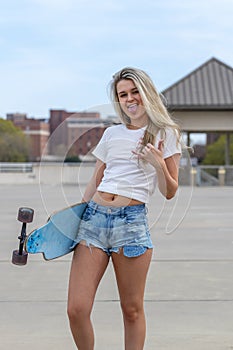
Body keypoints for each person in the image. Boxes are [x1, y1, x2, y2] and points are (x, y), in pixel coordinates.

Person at [67, 67, 182, 350]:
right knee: (76, 309)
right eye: (123, 94)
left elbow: (170, 191)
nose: (130, 99)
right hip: (93, 221)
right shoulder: (111, 133)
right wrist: (76, 217)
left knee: (131, 310)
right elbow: (96, 178)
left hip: (130, 225)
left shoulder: (165, 133)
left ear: (147, 94)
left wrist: (157, 163)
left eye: (135, 92)